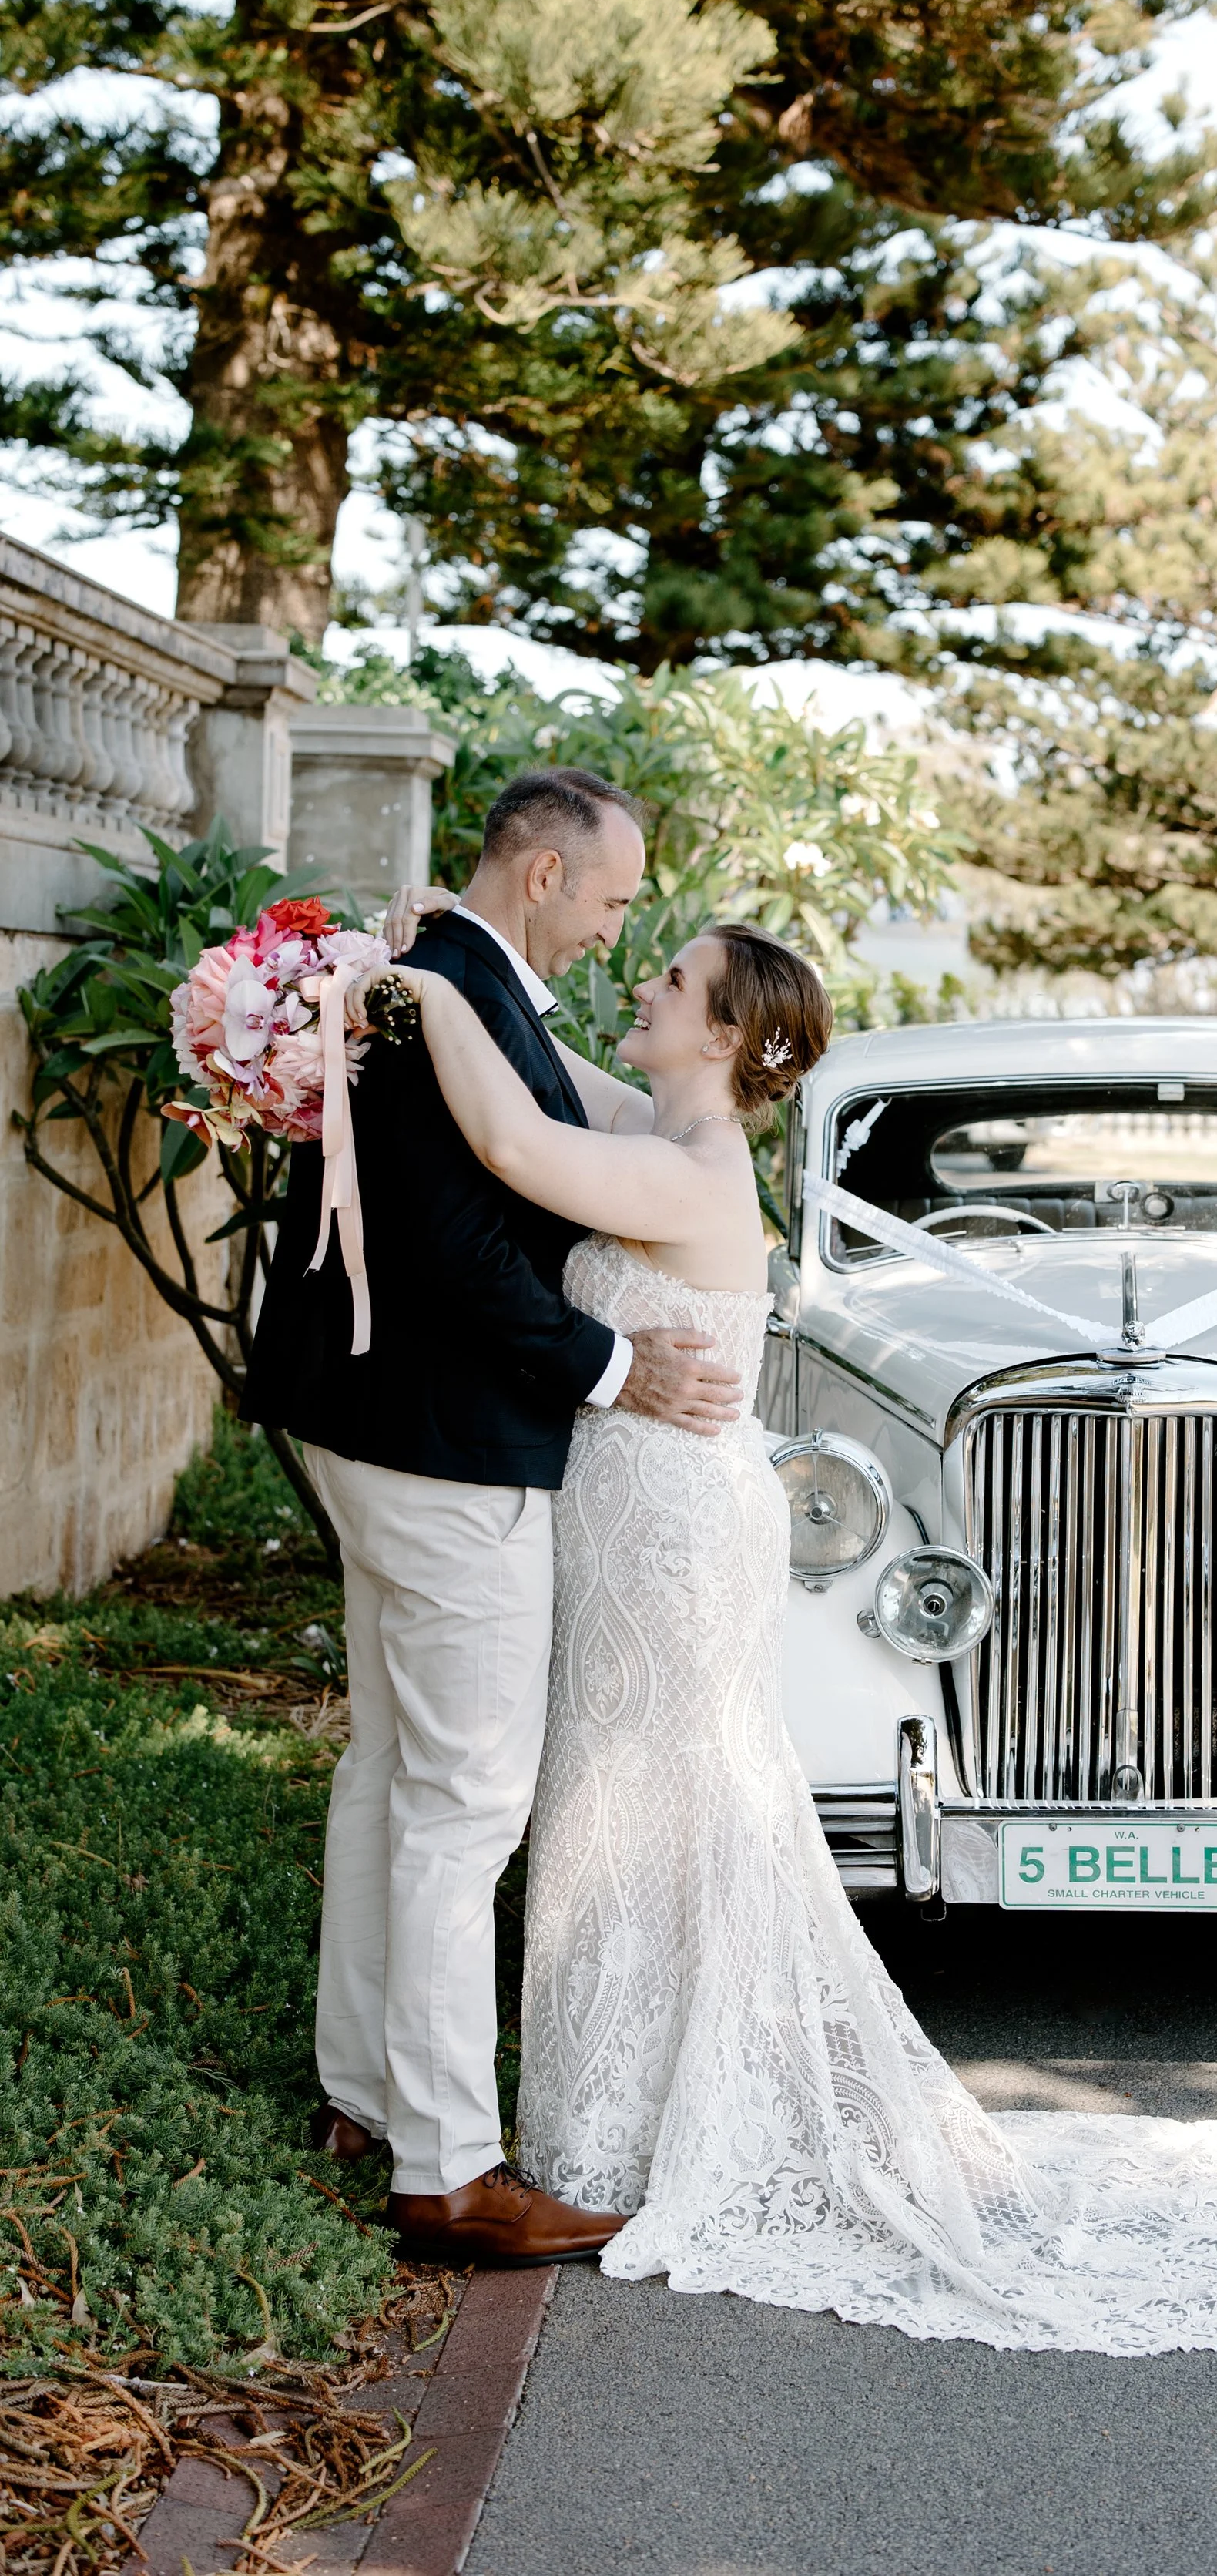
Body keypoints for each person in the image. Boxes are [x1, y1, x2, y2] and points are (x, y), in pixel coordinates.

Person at [350, 916, 1217, 2353]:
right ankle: (612, 2116)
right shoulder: (661, 1118)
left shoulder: (692, 1174)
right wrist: (458, 960)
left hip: (676, 1536)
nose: (643, 986)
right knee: (629, 1799)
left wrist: (417, 988)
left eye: (673, 981)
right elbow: (547, 1065)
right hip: (641, 1520)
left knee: (666, 1793)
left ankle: (644, 2129)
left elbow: (513, 1142)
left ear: (727, 1035)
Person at [243, 769, 744, 2268]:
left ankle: (360, 2089)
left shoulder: (454, 985)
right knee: (465, 1803)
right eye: (605, 898)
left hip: (382, 1429)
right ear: (538, 874)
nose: (613, 929)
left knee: (394, 1768)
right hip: (445, 1449)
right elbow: (461, 1245)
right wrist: (608, 1367)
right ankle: (447, 2167)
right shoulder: (433, 991)